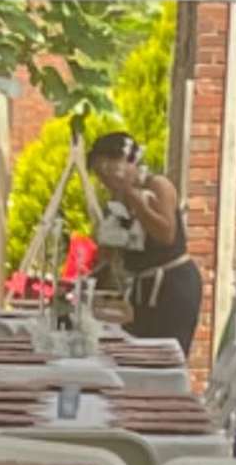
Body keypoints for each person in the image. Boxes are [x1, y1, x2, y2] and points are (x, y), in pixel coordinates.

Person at [81, 126, 203, 356]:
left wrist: (133, 197)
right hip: (142, 287)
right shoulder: (116, 199)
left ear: (126, 163)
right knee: (136, 348)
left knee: (164, 354)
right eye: (100, 174)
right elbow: (110, 253)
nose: (106, 179)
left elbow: (166, 234)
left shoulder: (157, 186)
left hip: (171, 282)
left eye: (108, 170)